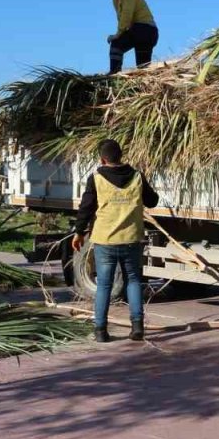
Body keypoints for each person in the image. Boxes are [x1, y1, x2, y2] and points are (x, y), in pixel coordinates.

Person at [71, 139, 160, 343]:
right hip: (132, 239)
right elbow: (152, 201)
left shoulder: (96, 178)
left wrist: (78, 232)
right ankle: (137, 327)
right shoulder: (137, 176)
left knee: (104, 285)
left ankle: (101, 331)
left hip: (105, 240)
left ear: (102, 159)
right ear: (121, 156)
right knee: (134, 280)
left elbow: (86, 207)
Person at [105, 0, 159, 74]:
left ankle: (113, 74)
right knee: (142, 68)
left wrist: (118, 34)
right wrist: (121, 32)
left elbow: (126, 15)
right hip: (141, 31)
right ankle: (117, 74)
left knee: (116, 43)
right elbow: (122, 20)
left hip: (145, 30)